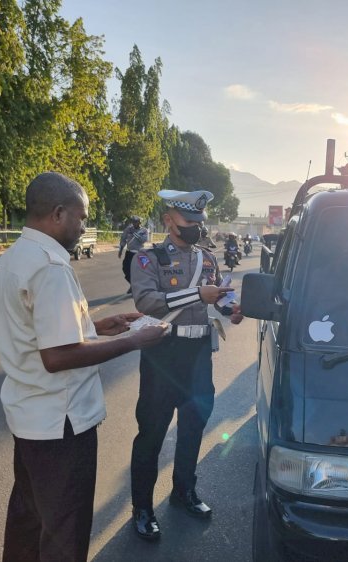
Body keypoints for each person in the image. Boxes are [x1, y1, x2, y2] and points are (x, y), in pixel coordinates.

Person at [0, 172, 169, 562]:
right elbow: (57, 358)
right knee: (63, 535)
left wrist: (98, 327)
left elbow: (40, 333)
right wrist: (132, 341)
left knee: (28, 522)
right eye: (82, 218)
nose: (84, 227)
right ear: (58, 214)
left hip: (31, 419)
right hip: (61, 425)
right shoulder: (51, 266)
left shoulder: (17, 255)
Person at [129, 189, 243, 541]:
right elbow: (147, 302)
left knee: (193, 428)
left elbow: (217, 294)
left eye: (199, 222)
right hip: (163, 354)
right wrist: (197, 295)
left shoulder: (207, 258)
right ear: (168, 220)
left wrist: (231, 309)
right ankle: (143, 507)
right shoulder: (148, 259)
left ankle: (184, 492)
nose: (195, 227)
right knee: (152, 434)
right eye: (188, 222)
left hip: (197, 356)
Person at [118, 215, 149, 293]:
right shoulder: (128, 229)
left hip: (139, 253)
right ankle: (133, 284)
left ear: (139, 222)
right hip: (129, 252)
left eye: (136, 222)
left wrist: (135, 234)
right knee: (125, 268)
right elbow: (123, 239)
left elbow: (144, 240)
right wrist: (121, 250)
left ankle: (138, 286)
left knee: (138, 271)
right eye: (133, 222)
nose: (134, 223)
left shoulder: (144, 231)